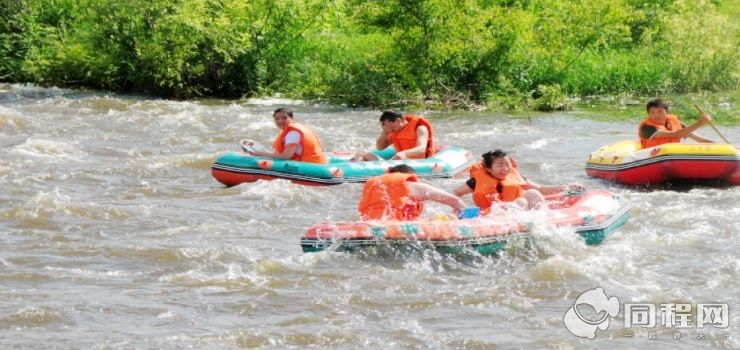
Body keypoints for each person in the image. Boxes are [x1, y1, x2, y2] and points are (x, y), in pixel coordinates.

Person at [454, 150, 582, 212]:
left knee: (533, 193)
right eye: (499, 165)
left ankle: (542, 221)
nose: (505, 169)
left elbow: (541, 189)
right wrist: (458, 209)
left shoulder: (515, 177)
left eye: (507, 164)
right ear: (488, 168)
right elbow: (456, 193)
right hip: (490, 214)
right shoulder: (475, 181)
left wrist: (567, 187)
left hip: (518, 213)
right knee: (521, 201)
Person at [358, 164, 466, 221]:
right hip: (393, 228)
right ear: (407, 174)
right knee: (450, 218)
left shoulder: (374, 184)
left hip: (370, 224)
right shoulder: (408, 184)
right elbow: (455, 200)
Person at [242, 107, 328, 164]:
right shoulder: (296, 128)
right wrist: (258, 148)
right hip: (317, 162)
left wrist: (259, 154)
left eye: (284, 118)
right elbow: (281, 152)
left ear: (291, 118)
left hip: (309, 166)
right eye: (277, 119)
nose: (280, 121)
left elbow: (286, 156)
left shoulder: (293, 133)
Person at [352, 110, 435, 161]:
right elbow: (380, 147)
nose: (391, 130)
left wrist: (404, 153)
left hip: (417, 163)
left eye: (391, 126)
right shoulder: (394, 130)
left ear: (398, 121)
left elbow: (421, 149)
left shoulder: (420, 128)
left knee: (399, 157)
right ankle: (353, 171)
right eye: (387, 127)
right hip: (396, 162)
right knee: (360, 153)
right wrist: (385, 132)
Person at [638, 98, 714, 148]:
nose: (656, 115)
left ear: (667, 112)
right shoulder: (646, 128)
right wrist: (700, 123)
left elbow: (700, 139)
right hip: (652, 158)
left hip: (672, 157)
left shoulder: (675, 123)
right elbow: (675, 134)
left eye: (660, 111)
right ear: (648, 114)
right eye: (652, 112)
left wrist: (720, 146)